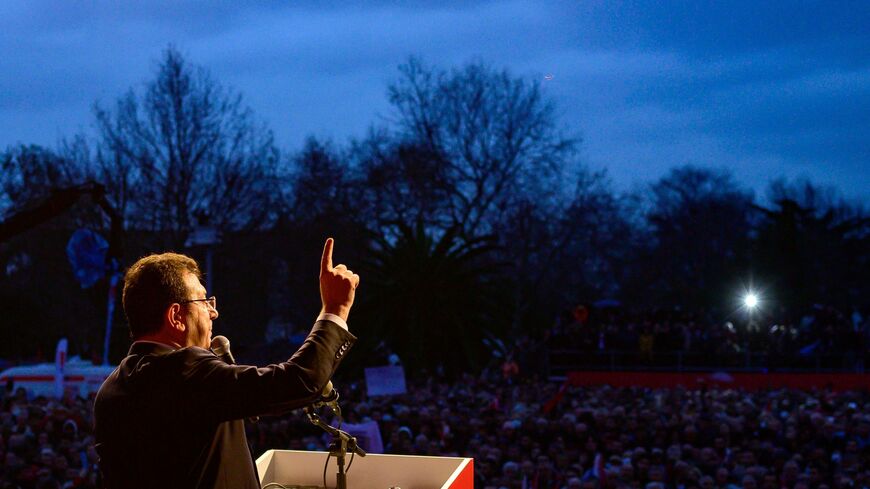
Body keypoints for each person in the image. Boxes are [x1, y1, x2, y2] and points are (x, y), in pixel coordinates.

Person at [94, 238, 358, 489]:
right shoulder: (185, 369)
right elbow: (299, 380)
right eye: (203, 301)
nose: (213, 312)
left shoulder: (110, 390)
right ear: (176, 316)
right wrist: (335, 310)